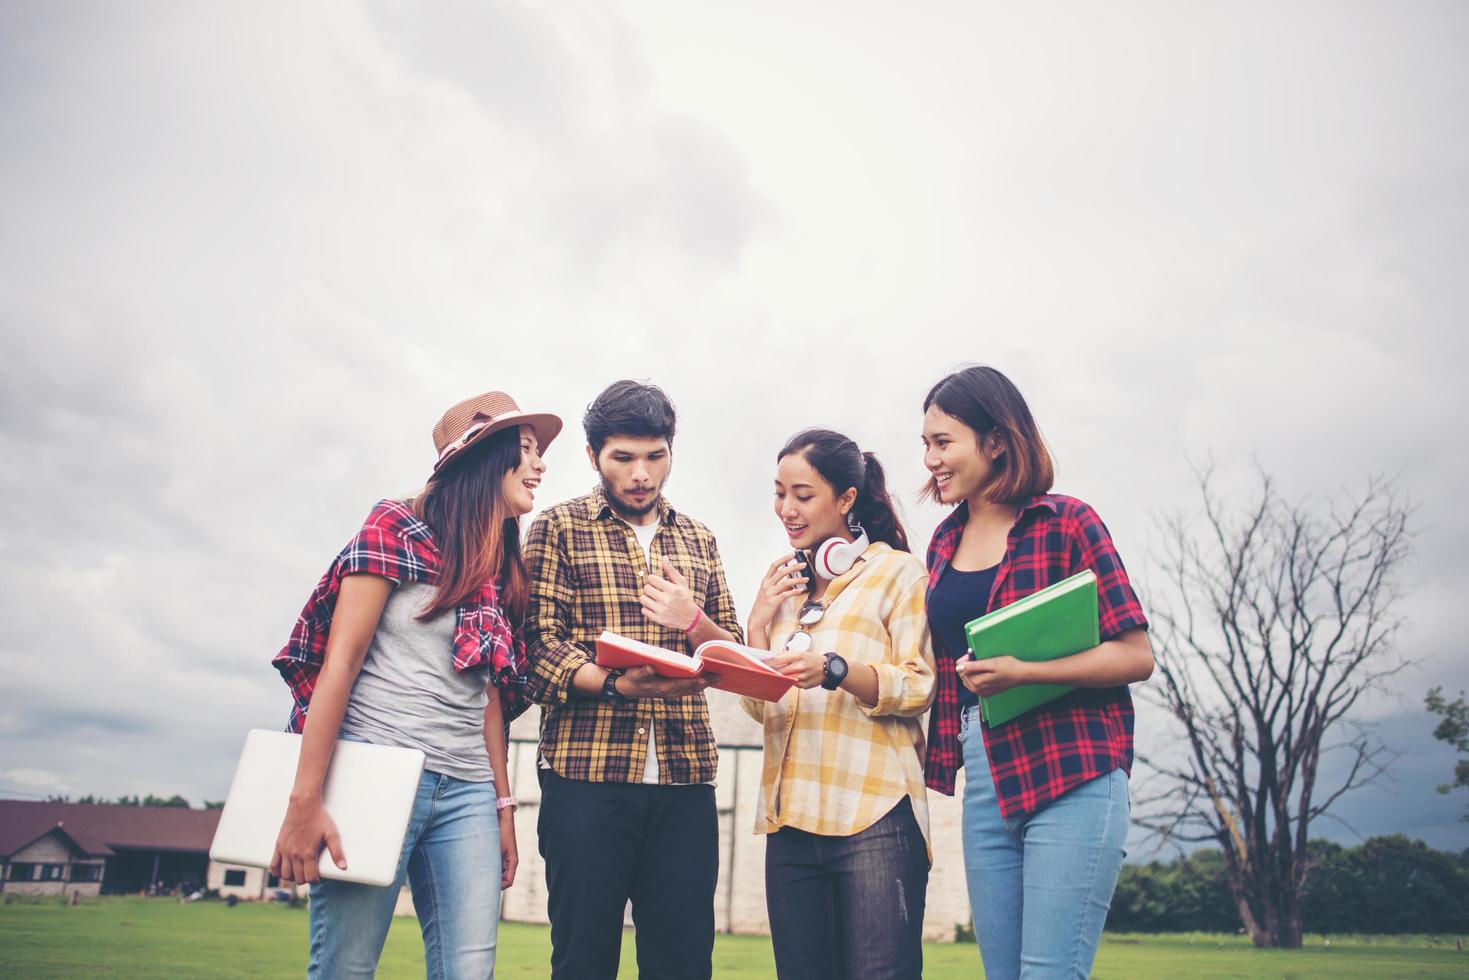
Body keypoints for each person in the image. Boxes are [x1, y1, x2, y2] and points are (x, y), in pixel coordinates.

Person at [269, 390, 560, 979]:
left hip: (468, 792)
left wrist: (503, 808)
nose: (540, 465)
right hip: (373, 776)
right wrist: (305, 800)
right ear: (482, 458)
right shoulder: (395, 525)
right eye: (525, 450)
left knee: (468, 972)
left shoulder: (501, 567)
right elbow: (340, 665)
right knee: (346, 967)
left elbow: (489, 702)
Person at [919, 365, 1153, 979]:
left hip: (1072, 769)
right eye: (926, 445)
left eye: (944, 443)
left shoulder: (1069, 522)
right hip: (988, 776)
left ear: (996, 441)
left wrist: (1027, 671)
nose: (931, 459)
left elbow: (1136, 655)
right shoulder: (942, 544)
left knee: (1049, 973)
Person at [523, 380, 743, 979]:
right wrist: (616, 685)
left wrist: (691, 620)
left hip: (685, 777)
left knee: (683, 963)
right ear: (594, 456)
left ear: (671, 450)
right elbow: (537, 649)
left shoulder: (700, 540)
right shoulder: (556, 529)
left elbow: (735, 657)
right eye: (624, 457)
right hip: (587, 778)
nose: (642, 473)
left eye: (655, 455)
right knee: (584, 959)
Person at [743, 429, 936, 980]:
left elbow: (920, 684)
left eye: (802, 495)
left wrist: (836, 669)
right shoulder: (784, 587)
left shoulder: (898, 573)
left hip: (874, 818)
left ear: (846, 499)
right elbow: (762, 709)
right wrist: (757, 622)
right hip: (791, 825)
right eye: (780, 493)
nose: (787, 509)